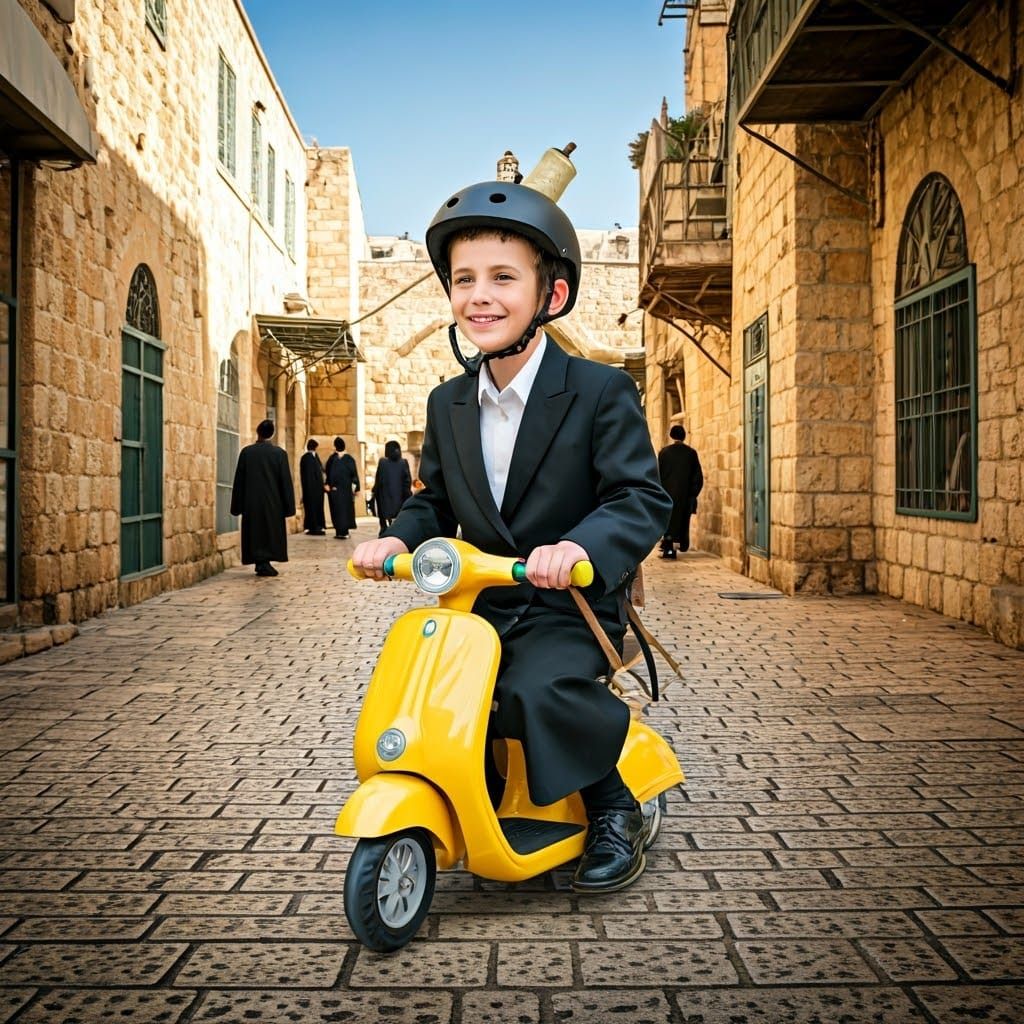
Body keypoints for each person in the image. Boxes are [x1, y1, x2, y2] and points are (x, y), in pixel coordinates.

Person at [352, 171, 671, 893]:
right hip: (483, 601)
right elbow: (435, 501)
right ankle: (471, 797)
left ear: (549, 295)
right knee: (431, 692)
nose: (480, 295)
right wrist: (399, 538)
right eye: (464, 279)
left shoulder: (598, 391)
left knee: (531, 685)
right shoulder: (448, 403)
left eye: (502, 276)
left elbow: (637, 497)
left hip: (570, 602)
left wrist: (580, 547)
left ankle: (612, 806)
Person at [230, 418, 296, 577]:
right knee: (269, 532)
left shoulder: (247, 452)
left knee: (255, 532)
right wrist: (289, 507)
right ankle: (264, 562)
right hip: (273, 503)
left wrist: (237, 506)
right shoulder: (279, 454)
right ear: (272, 434)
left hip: (251, 502)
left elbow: (239, 480)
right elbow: (285, 482)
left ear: (258, 432)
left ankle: (261, 562)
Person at [657, 425, 704, 559]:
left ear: (671, 435)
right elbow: (698, 476)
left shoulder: (664, 453)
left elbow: (657, 475)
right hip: (685, 496)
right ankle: (675, 547)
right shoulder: (691, 453)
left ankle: (669, 549)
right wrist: (692, 493)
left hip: (667, 495)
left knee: (669, 523)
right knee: (682, 523)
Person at [371, 440, 413, 537]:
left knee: (386, 516)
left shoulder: (382, 462)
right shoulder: (403, 462)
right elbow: (407, 481)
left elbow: (378, 480)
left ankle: (384, 529)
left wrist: (375, 492)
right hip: (399, 498)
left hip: (385, 498)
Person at [325, 436, 359, 539]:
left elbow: (354, 475)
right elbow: (328, 473)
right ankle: (339, 531)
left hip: (345, 490)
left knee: (344, 511)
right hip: (336, 490)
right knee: (337, 511)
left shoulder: (347, 459)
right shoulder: (333, 459)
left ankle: (344, 531)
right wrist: (327, 484)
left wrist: (355, 488)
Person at [299, 439, 327, 536]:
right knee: (313, 508)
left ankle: (315, 526)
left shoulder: (310, 457)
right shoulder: (309, 458)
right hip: (313, 489)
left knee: (314, 508)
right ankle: (315, 527)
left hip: (314, 489)